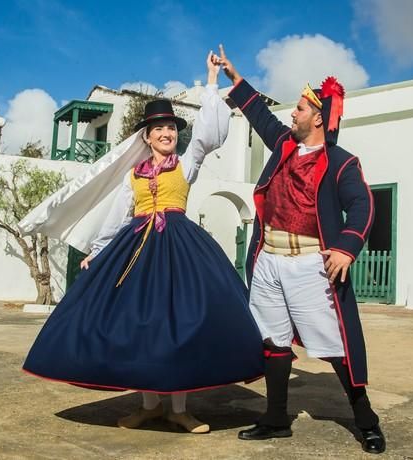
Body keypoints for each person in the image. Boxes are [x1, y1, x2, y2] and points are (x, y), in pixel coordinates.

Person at [19, 52, 263, 434]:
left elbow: (209, 134)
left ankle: (179, 409)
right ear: (146, 137)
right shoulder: (132, 176)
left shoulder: (187, 162)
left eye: (170, 128)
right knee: (140, 326)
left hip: (181, 250)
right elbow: (117, 217)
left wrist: (212, 81)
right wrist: (98, 253)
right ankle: (149, 406)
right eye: (159, 129)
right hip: (136, 251)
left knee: (180, 323)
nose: (167, 133)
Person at [216, 45, 386, 454]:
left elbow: (362, 203)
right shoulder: (283, 145)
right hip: (269, 259)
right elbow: (260, 115)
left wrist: (346, 248)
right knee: (272, 340)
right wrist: (235, 79)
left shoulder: (342, 161)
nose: (292, 114)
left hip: (312, 264)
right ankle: (276, 419)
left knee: (335, 344)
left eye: (300, 109)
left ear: (319, 118)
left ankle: (366, 421)